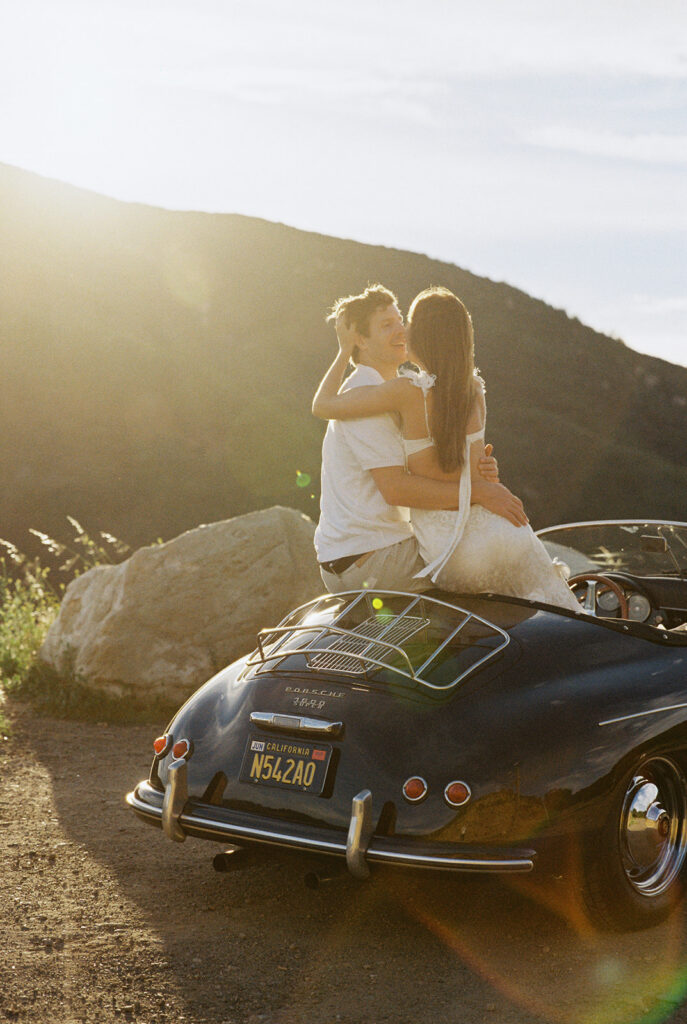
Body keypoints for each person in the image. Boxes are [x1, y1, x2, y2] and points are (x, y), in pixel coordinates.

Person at [313, 286, 580, 611]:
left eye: (401, 320)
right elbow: (396, 488)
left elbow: (433, 464)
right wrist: (479, 491)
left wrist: (478, 475)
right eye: (387, 325)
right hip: (370, 558)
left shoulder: (399, 392)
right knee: (493, 584)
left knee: (501, 576)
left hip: (371, 547)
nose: (400, 330)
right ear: (361, 341)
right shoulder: (367, 395)